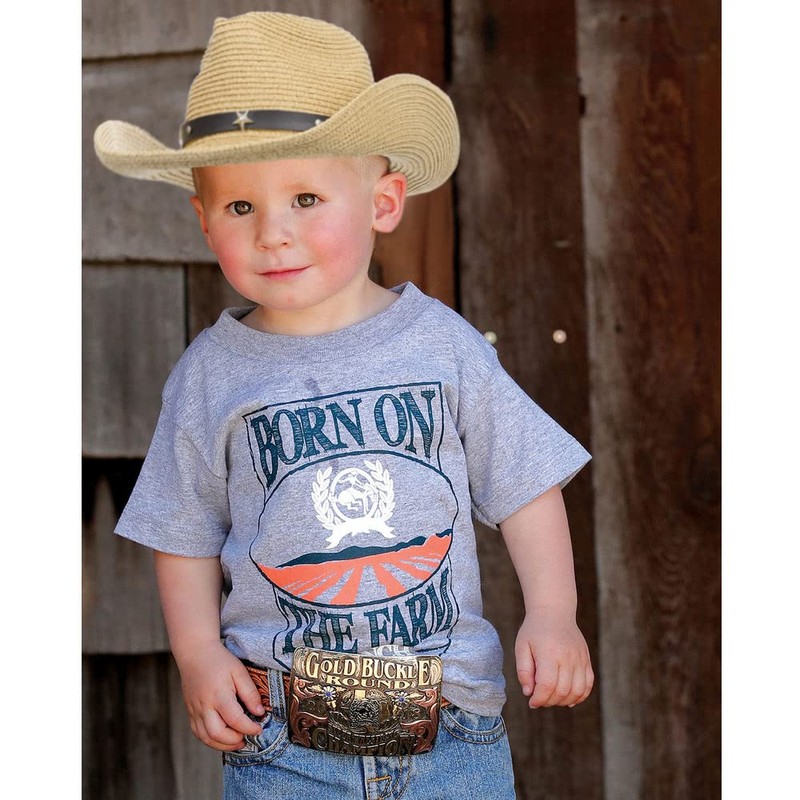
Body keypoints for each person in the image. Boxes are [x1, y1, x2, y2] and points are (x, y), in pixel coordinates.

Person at [94, 11, 593, 799]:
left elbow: (527, 482)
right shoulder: (210, 376)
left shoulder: (442, 346)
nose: (273, 234)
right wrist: (198, 654)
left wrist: (554, 613)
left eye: (305, 197)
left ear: (383, 202)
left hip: (450, 732)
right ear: (202, 219)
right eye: (240, 208)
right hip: (282, 741)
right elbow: (181, 532)